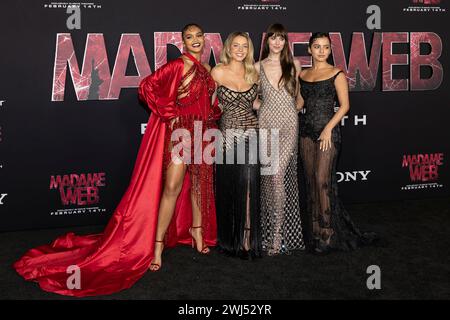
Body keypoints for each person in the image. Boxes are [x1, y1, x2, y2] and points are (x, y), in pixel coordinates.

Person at [12, 23, 221, 297]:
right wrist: (170, 111)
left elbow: (210, 102)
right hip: (180, 133)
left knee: (199, 185)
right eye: (189, 37)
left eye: (198, 36)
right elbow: (146, 87)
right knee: (172, 187)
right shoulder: (178, 65)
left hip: (201, 134)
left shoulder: (206, 70)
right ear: (182, 42)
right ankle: (156, 245)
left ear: (205, 40)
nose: (195, 40)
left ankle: (196, 232)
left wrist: (211, 112)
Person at [298, 32, 378, 253]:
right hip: (305, 133)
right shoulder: (303, 75)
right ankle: (315, 232)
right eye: (317, 46)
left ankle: (327, 233)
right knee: (311, 181)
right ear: (309, 49)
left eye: (325, 47)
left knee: (323, 180)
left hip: (328, 134)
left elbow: (344, 106)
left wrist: (327, 129)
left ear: (330, 50)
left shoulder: (337, 74)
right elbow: (298, 104)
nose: (321, 51)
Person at [255, 23, 305, 255]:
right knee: (270, 181)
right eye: (273, 38)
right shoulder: (257, 67)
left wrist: (291, 111)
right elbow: (252, 98)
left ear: (286, 42)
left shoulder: (294, 65)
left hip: (287, 126)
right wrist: (263, 108)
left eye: (281, 38)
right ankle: (273, 232)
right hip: (266, 126)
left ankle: (276, 237)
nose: (277, 42)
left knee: (276, 176)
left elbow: (300, 99)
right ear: (267, 42)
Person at [211, 32, 262, 259]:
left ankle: (247, 239)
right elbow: (209, 104)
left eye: (244, 46)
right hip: (227, 137)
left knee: (249, 184)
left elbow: (257, 104)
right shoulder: (218, 72)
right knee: (231, 188)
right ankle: (231, 238)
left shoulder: (253, 73)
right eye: (236, 45)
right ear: (228, 48)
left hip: (252, 133)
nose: (240, 49)